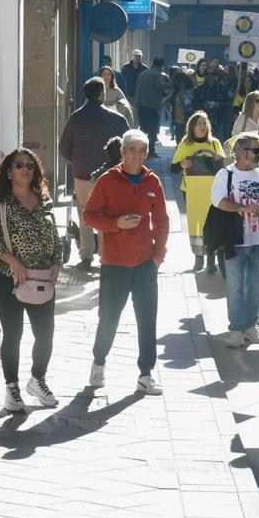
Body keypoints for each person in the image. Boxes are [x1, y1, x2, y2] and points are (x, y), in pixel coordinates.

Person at [83, 130, 169, 396]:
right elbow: (88, 216)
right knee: (108, 318)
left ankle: (146, 374)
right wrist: (115, 225)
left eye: (142, 150)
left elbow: (163, 220)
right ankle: (99, 362)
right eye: (133, 150)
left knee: (147, 320)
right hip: (115, 263)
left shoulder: (152, 181)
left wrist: (158, 256)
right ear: (122, 152)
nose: (138, 155)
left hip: (145, 264)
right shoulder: (108, 180)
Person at [0, 149, 63, 412]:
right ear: (9, 171)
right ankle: (12, 389)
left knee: (45, 334)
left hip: (41, 279)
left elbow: (55, 235)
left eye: (30, 165)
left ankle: (37, 380)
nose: (25, 169)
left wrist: (56, 263)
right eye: (19, 165)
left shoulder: (44, 200)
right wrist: (12, 260)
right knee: (13, 333)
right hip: (6, 279)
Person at [211, 134, 259, 349]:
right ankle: (236, 329)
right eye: (256, 150)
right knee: (235, 286)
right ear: (241, 152)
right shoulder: (226, 174)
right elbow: (217, 200)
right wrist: (242, 207)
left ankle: (250, 326)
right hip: (234, 240)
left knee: (255, 287)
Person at [59, 77, 129, 270]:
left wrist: (77, 160)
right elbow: (129, 144)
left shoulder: (76, 117)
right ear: (101, 94)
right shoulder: (116, 119)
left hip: (82, 174)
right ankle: (107, 255)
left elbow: (64, 147)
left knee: (85, 214)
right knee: (107, 214)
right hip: (110, 174)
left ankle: (86, 256)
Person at [170, 111, 226, 273]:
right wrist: (182, 164)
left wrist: (219, 159)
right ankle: (198, 258)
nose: (202, 126)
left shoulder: (215, 143)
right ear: (192, 127)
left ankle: (211, 260)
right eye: (199, 123)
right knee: (196, 225)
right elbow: (173, 168)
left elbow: (225, 167)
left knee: (212, 225)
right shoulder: (185, 144)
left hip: (213, 192)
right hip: (192, 192)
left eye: (205, 123)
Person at [134, 57, 171, 152]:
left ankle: (141, 148)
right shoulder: (157, 75)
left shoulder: (142, 73)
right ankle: (151, 150)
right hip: (151, 106)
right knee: (152, 129)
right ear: (161, 66)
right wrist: (170, 83)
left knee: (143, 128)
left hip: (140, 104)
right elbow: (159, 86)